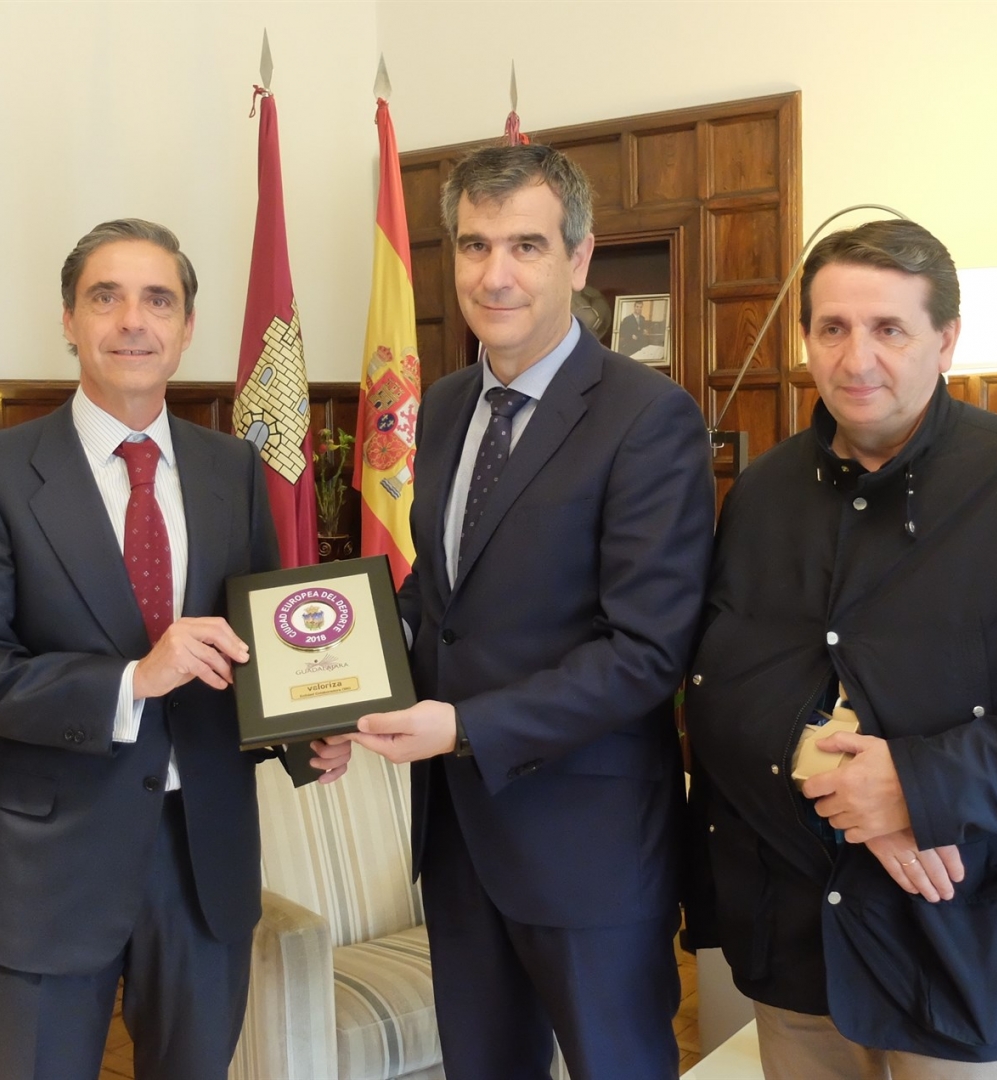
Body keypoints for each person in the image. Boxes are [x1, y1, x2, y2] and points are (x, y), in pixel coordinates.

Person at [682, 219, 997, 1079]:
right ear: (805, 341)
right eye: (832, 328)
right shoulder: (759, 494)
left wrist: (918, 788)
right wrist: (848, 795)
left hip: (965, 944)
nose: (855, 358)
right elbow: (719, 688)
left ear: (945, 340)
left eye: (888, 329)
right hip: (795, 941)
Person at [0, 219, 350, 1080]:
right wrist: (131, 681)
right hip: (55, 869)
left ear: (187, 327)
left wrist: (307, 733)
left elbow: (256, 648)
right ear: (69, 321)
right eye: (104, 297)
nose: (132, 322)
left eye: (158, 300)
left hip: (205, 860)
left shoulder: (231, 471)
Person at [339, 144, 715, 1079]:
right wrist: (345, 690)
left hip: (588, 847)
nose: (494, 274)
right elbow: (439, 597)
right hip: (460, 838)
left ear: (578, 260)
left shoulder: (648, 416)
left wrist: (466, 726)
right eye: (474, 246)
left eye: (526, 246)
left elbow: (645, 651)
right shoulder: (443, 406)